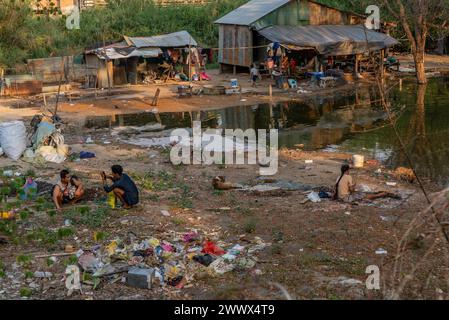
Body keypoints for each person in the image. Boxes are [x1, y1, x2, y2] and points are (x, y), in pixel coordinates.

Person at [334, 164, 400, 202]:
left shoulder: (338, 177)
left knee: (361, 194)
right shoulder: (348, 177)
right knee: (366, 196)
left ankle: (381, 194)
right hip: (345, 198)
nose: (349, 171)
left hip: (339, 197)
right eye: (349, 170)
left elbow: (338, 188)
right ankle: (381, 194)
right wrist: (354, 186)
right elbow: (352, 191)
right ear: (347, 170)